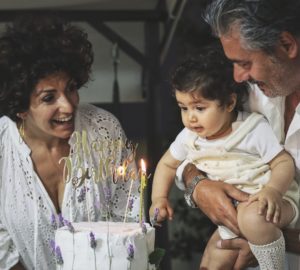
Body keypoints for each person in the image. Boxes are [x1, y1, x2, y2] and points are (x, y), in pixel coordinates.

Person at [0, 14, 140, 270]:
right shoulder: (1, 148)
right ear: (19, 106)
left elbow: (128, 214)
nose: (68, 105)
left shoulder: (104, 129)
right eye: (48, 98)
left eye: (71, 88)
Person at [150, 46, 299, 269]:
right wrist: (159, 199)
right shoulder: (189, 137)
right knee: (211, 262)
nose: (190, 118)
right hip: (232, 218)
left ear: (229, 103)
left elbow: (283, 162)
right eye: (183, 108)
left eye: (200, 108)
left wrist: (273, 191)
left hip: (274, 202)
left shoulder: (251, 128)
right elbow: (167, 164)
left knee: (252, 219)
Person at [177, 0, 300, 269]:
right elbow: (198, 144)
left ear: (287, 45)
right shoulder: (257, 92)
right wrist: (197, 184)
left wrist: (262, 236)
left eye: (244, 63)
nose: (238, 76)